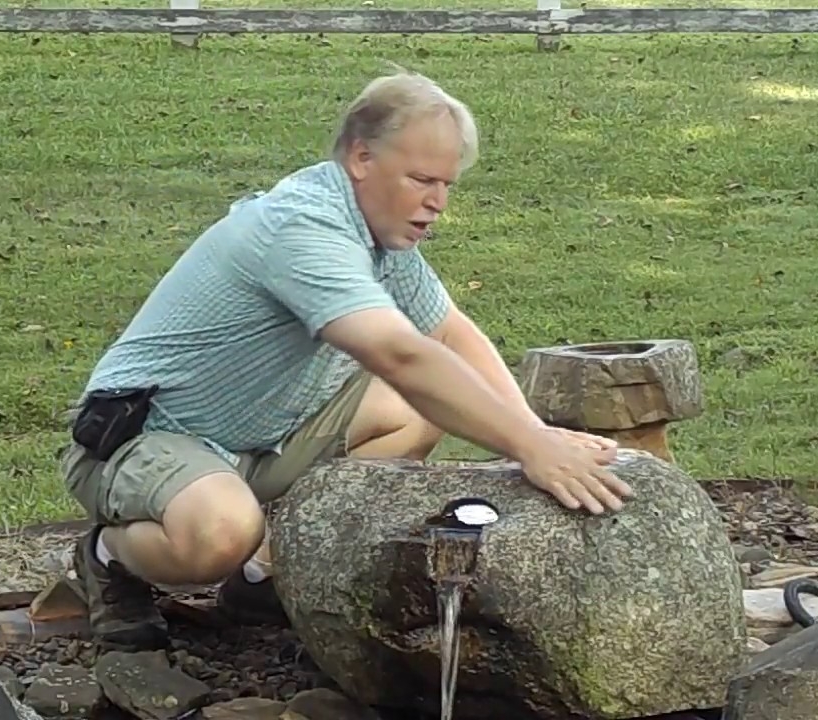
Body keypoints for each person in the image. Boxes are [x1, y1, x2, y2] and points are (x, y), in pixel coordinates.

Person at [60, 68, 635, 652]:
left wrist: (535, 431)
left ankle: (261, 572)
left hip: (261, 438)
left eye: (447, 185)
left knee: (416, 412)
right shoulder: (301, 228)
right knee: (219, 533)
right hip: (144, 438)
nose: (437, 203)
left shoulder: (381, 233)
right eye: (421, 180)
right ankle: (109, 559)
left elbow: (450, 335)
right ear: (361, 157)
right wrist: (530, 449)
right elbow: (397, 353)